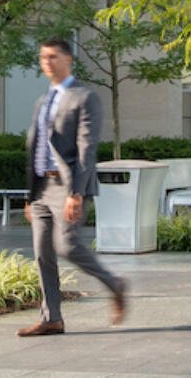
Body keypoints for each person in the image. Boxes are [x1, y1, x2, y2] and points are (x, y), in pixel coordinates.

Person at [18, 38, 128, 336]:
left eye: (53, 56)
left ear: (69, 59)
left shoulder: (84, 96)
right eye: (43, 57)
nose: (47, 62)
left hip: (67, 186)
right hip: (41, 186)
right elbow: (37, 147)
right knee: (42, 252)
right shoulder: (43, 100)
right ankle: (51, 317)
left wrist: (75, 192)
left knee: (66, 245)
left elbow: (86, 147)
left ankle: (114, 283)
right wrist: (30, 196)